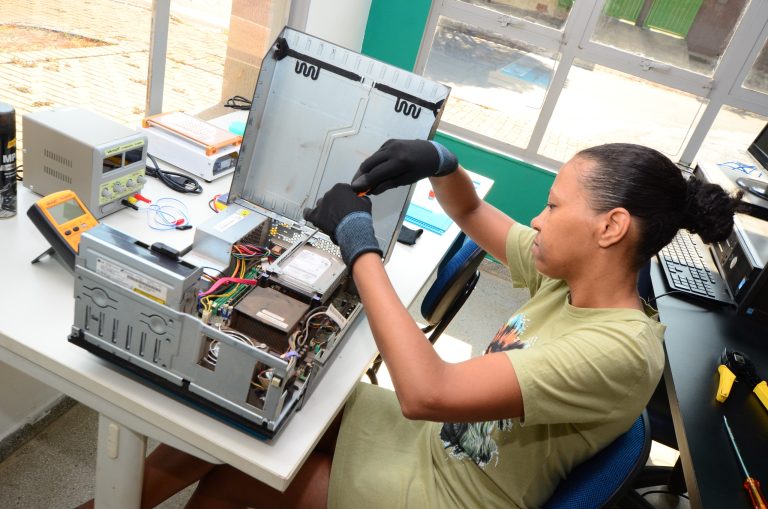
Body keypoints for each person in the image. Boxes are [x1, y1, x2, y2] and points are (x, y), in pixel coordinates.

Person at [77, 140, 740, 509]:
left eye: (553, 204)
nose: (538, 217)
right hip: (430, 448)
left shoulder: (618, 351)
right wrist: (440, 164)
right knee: (247, 405)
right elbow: (477, 217)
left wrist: (359, 245)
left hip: (445, 493)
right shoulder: (570, 277)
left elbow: (428, 392)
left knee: (243, 474)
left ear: (611, 226)